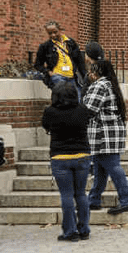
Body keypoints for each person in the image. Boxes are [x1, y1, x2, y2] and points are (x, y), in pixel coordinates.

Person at [83, 59, 128, 215]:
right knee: (100, 168)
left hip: (104, 133)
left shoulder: (100, 85)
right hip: (110, 131)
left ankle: (126, 200)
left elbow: (89, 109)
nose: (89, 74)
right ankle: (94, 199)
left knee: (112, 166)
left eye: (91, 71)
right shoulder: (110, 84)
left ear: (96, 72)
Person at [41, 82, 91, 241]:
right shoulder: (83, 110)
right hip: (82, 155)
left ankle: (71, 232)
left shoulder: (50, 111)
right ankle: (84, 229)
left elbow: (45, 126)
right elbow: (88, 122)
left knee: (67, 195)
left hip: (60, 157)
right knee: (81, 194)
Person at [34, 21, 86, 97]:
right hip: (57, 76)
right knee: (63, 98)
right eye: (50, 33)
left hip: (72, 76)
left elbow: (80, 61)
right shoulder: (45, 46)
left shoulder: (70, 43)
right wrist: (48, 72)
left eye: (55, 32)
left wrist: (84, 76)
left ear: (60, 30)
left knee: (77, 99)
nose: (53, 35)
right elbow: (37, 64)